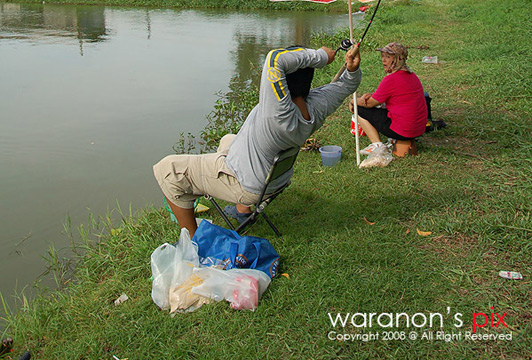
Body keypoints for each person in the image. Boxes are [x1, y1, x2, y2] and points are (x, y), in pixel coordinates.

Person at [153, 43, 361, 236]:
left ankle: (192, 239)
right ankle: (242, 210)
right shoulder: (315, 107)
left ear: (284, 81)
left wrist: (320, 56)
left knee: (169, 169)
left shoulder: (278, 110)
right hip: (274, 179)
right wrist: (351, 69)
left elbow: (275, 59)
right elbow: (346, 86)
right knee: (228, 139)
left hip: (246, 185)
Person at [349, 42, 427, 153]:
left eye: (388, 57)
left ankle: (377, 146)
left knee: (359, 109)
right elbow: (394, 97)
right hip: (419, 129)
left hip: (404, 130)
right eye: (383, 56)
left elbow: (370, 104)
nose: (383, 60)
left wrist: (354, 101)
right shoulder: (411, 75)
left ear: (398, 59)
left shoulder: (391, 79)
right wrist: (371, 96)